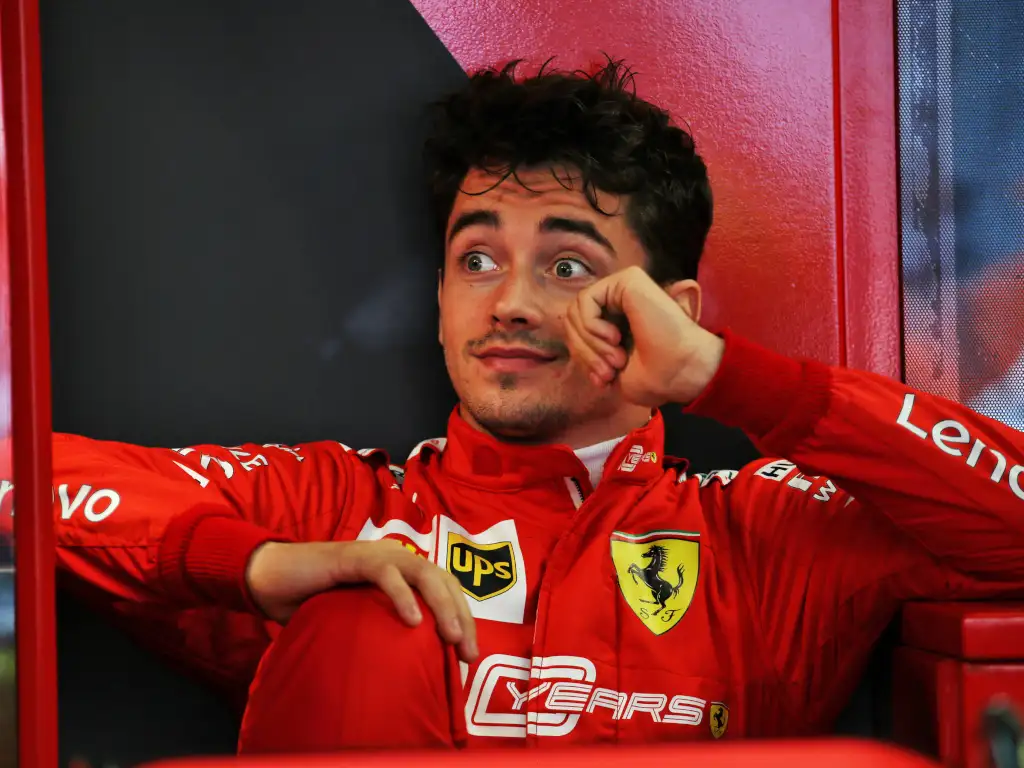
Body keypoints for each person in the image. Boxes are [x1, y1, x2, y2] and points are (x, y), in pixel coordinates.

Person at [39, 59, 1024, 752]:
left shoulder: (769, 529)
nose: (507, 300)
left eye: (566, 263)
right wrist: (251, 564)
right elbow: (19, 478)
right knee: (364, 622)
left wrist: (729, 380)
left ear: (668, 314)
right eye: (476, 259)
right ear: (438, 301)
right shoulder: (334, 510)